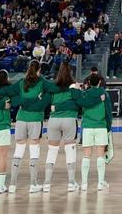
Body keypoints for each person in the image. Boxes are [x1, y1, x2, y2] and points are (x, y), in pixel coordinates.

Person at [42, 62, 83, 192]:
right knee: (70, 151)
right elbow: (78, 103)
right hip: (69, 120)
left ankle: (47, 183)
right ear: (71, 71)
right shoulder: (74, 86)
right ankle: (71, 182)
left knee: (52, 151)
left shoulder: (53, 86)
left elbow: (46, 102)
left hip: (53, 120)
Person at [10, 64, 50, 192]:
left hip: (21, 118)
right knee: (34, 150)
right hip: (35, 119)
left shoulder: (22, 82)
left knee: (19, 150)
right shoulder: (42, 82)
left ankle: (12, 184)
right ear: (39, 71)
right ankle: (33, 184)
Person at [76, 70, 113, 191]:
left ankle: (84, 183)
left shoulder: (84, 94)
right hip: (101, 126)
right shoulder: (104, 94)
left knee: (86, 156)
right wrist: (109, 127)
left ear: (89, 83)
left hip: (87, 126)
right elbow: (108, 113)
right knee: (100, 156)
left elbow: (81, 109)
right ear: (99, 82)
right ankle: (100, 183)